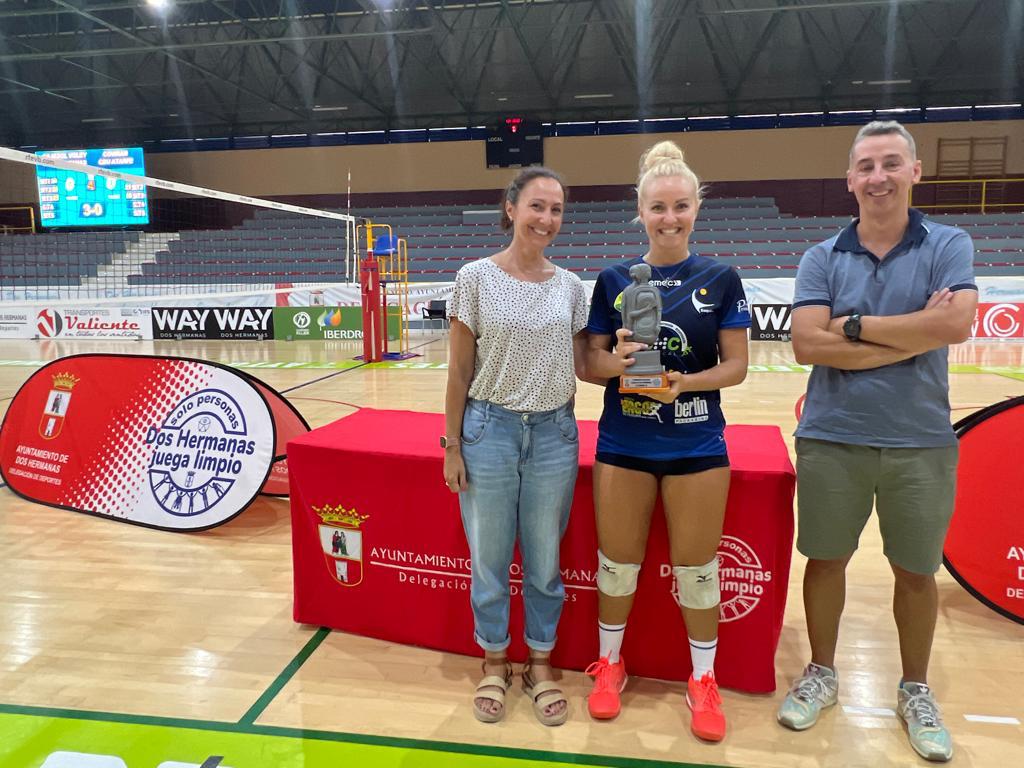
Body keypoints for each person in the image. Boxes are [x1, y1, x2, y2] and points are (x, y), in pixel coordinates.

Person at [778, 121, 977, 763]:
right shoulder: (822, 255)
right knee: (826, 560)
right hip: (833, 436)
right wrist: (914, 332)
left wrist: (857, 326)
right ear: (850, 179)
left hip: (920, 440)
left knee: (915, 573)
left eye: (892, 163)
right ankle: (823, 673)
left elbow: (955, 323)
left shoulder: (949, 242)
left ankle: (914, 689)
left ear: (915, 171)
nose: (878, 176)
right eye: (866, 166)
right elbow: (808, 342)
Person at [581, 141, 750, 742]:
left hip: (698, 444)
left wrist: (683, 384)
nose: (669, 217)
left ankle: (703, 678)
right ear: (641, 210)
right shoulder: (614, 281)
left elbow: (736, 367)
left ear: (697, 207)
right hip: (625, 442)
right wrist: (620, 360)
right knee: (617, 569)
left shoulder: (721, 278)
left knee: (699, 571)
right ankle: (610, 668)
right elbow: (589, 365)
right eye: (658, 208)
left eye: (680, 206)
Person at [442, 166, 589, 726]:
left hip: (554, 435)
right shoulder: (474, 278)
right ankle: (495, 660)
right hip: (488, 434)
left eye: (555, 210)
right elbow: (458, 372)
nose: (547, 219)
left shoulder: (571, 287)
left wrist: (637, 360)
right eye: (536, 206)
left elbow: (584, 365)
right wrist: (452, 444)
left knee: (545, 563)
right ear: (511, 209)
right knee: (489, 559)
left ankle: (542, 665)